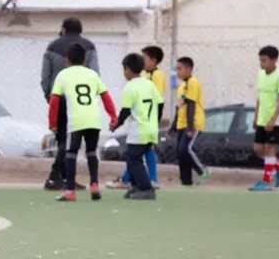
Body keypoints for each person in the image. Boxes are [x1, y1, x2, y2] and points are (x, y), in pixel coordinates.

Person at [47, 43, 117, 202]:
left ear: (67, 60)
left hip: (76, 122)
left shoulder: (63, 75)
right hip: (94, 119)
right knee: (91, 152)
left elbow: (54, 101)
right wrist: (113, 116)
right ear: (85, 60)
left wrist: (52, 123)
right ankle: (94, 184)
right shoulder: (93, 75)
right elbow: (106, 97)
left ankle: (70, 191)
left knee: (71, 154)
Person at [40, 17, 101, 191]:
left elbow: (45, 77)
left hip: (58, 99)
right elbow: (95, 74)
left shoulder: (52, 47)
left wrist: (49, 97)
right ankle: (63, 177)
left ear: (64, 29)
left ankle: (58, 177)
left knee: (63, 140)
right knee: (71, 142)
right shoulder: (89, 47)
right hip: (81, 102)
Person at [107, 46, 165, 190]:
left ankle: (145, 188)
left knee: (133, 160)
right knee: (140, 156)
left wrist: (116, 125)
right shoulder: (149, 84)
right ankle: (138, 185)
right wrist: (154, 122)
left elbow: (126, 111)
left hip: (138, 131)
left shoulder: (129, 87)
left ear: (127, 69)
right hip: (150, 129)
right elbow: (160, 104)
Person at [250, 45, 279, 192]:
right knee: (258, 149)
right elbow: (260, 97)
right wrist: (256, 116)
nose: (262, 63)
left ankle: (266, 181)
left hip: (276, 121)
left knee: (270, 148)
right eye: (260, 60)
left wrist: (273, 119)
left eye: (264, 60)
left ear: (274, 60)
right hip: (262, 119)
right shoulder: (260, 75)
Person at [171, 56, 208, 186]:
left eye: (179, 68)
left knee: (185, 149)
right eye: (176, 69)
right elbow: (179, 106)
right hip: (182, 123)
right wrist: (173, 126)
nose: (177, 72)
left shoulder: (193, 82)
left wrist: (191, 127)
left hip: (193, 122)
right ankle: (185, 180)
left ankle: (202, 170)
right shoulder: (181, 86)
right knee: (180, 152)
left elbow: (191, 104)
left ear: (188, 69)